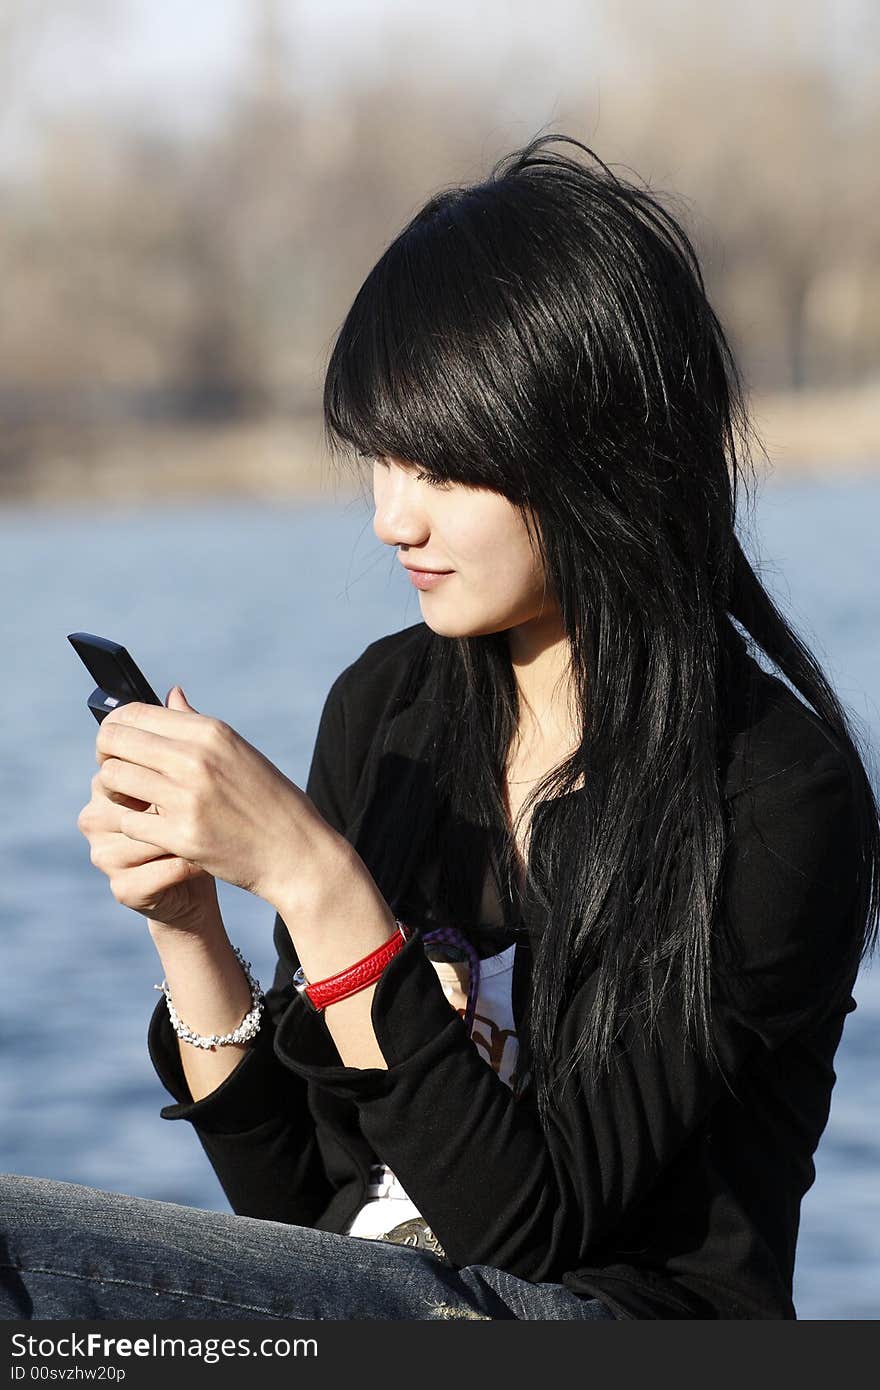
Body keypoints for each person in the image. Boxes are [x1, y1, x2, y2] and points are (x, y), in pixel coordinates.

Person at [2, 133, 878, 1322]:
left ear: (600, 453)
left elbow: (529, 1230)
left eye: (443, 467)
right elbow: (303, 1218)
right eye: (378, 458)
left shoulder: (773, 793)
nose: (390, 517)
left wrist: (319, 885)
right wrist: (190, 927)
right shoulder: (389, 711)